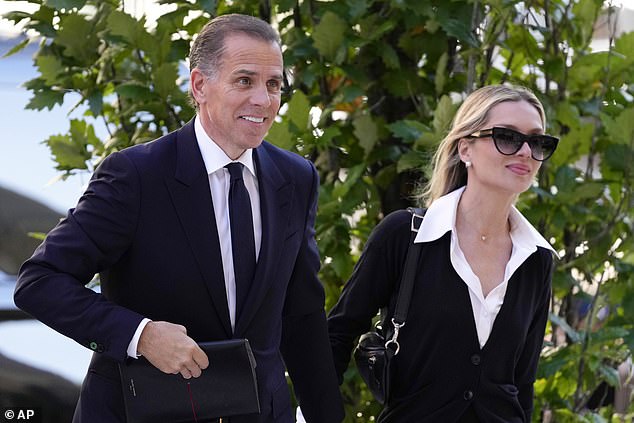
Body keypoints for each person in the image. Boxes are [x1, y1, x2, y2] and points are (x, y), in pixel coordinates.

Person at [14, 13, 344, 423]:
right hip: (144, 411)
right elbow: (40, 282)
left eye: (273, 84)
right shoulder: (135, 175)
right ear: (200, 85)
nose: (264, 99)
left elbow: (301, 313)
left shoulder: (296, 177)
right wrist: (141, 335)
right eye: (245, 81)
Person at [328, 84, 559, 422]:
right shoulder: (404, 236)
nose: (525, 151)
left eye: (537, 142)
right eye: (507, 137)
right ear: (465, 149)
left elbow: (521, 382)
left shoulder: (536, 258)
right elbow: (337, 334)